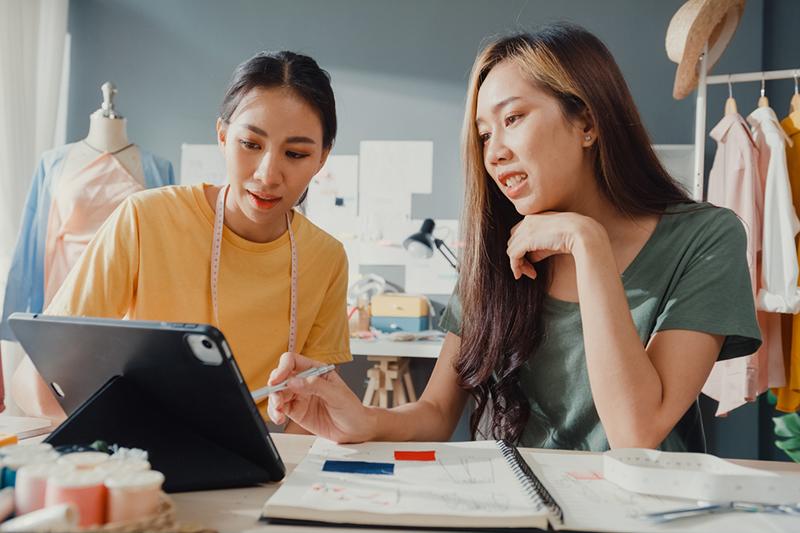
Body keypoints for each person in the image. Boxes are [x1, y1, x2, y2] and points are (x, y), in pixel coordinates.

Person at [266, 23, 761, 452]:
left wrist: (586, 244)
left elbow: (636, 432)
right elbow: (438, 412)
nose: (494, 152)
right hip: (516, 507)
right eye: (484, 134)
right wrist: (362, 420)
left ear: (587, 121)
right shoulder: (496, 252)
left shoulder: (705, 238)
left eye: (513, 118)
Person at [14, 51, 352, 429]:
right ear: (223, 136)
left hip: (266, 465)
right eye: (251, 144)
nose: (268, 174)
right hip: (144, 452)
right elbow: (35, 380)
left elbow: (309, 412)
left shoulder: (326, 258)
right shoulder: (144, 219)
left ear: (321, 159)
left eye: (295, 153)